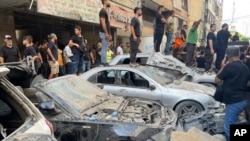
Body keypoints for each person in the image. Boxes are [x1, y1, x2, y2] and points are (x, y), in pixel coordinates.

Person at [215, 47, 249, 141]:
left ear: (228, 56)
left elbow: (217, 80)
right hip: (243, 100)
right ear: (238, 55)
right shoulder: (245, 67)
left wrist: (222, 67)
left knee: (228, 128)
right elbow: (248, 83)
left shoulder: (229, 67)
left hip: (234, 101)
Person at [99, 0, 112, 65]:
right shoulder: (102, 11)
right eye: (108, 1)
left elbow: (107, 23)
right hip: (103, 33)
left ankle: (105, 62)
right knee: (104, 48)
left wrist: (109, 34)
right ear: (105, 2)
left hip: (105, 33)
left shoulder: (105, 11)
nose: (109, 2)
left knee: (105, 48)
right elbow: (103, 23)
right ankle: (104, 62)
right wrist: (106, 33)